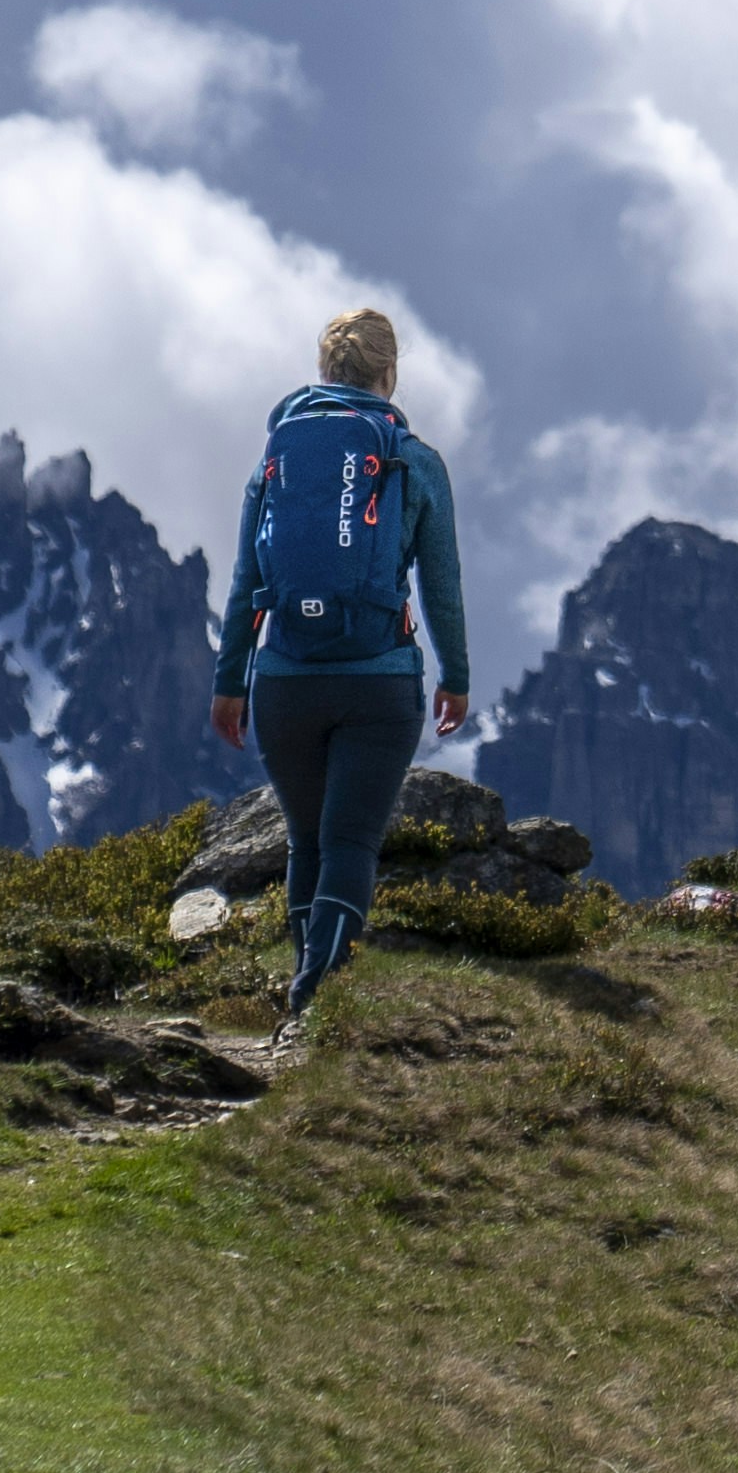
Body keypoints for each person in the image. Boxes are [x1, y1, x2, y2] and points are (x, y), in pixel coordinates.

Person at [212, 307, 471, 1031]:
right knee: (352, 841)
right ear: (389, 374)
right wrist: (455, 674)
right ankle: (318, 995)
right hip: (378, 682)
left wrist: (230, 683)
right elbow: (440, 581)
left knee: (307, 841)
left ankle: (304, 981)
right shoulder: (411, 460)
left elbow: (246, 581)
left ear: (326, 372)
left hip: (284, 680)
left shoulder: (277, 459)